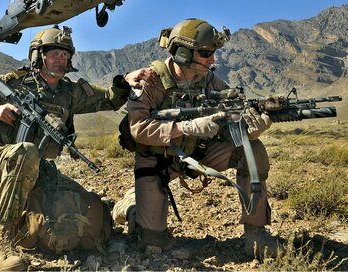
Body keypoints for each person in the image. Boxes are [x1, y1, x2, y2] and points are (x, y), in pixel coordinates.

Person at [0, 25, 153, 271]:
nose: (61, 59)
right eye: (55, 54)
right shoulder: (15, 82)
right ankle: (3, 241)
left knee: (88, 207)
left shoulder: (69, 92)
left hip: (40, 170)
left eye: (65, 55)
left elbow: (108, 98)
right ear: (38, 56)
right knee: (25, 151)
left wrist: (125, 81)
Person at [112, 18, 277, 258]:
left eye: (213, 53)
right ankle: (129, 206)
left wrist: (251, 128)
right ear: (182, 53)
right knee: (152, 243)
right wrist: (187, 127)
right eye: (206, 53)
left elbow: (232, 118)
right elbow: (139, 129)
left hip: (199, 154)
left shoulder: (210, 80)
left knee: (251, 148)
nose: (213, 60)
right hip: (157, 161)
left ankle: (256, 235)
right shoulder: (149, 81)